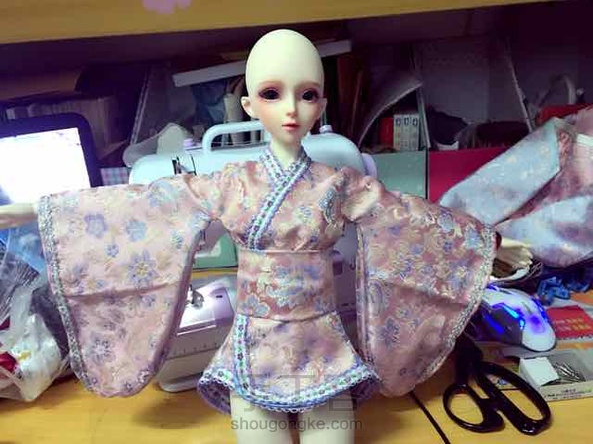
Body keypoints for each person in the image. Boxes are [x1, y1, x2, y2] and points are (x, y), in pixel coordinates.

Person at [0, 29, 531, 443]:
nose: (292, 109)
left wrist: (488, 244)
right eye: (273, 94)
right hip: (255, 348)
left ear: (322, 104)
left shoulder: (338, 184)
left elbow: (406, 218)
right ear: (250, 105)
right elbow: (144, 206)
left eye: (307, 94)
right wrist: (32, 210)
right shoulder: (232, 183)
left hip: (324, 346)